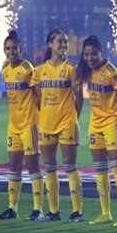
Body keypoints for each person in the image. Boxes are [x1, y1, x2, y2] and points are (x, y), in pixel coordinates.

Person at [77, 35, 117, 226]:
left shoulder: (111, 72)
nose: (90, 58)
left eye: (94, 54)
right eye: (86, 54)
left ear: (102, 53)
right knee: (100, 170)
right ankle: (106, 213)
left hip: (112, 123)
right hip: (95, 123)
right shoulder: (86, 72)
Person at [31, 29, 84, 222]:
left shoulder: (71, 69)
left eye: (65, 42)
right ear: (50, 44)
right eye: (60, 42)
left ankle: (77, 212)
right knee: (49, 168)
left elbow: (79, 98)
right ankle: (54, 212)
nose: (63, 45)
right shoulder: (39, 71)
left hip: (67, 123)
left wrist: (72, 117)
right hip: (46, 124)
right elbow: (37, 98)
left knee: (70, 166)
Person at [0, 30, 44, 220]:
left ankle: (38, 209)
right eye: (8, 49)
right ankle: (12, 208)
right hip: (14, 125)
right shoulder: (5, 69)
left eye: (14, 49)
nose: (11, 52)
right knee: (14, 165)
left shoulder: (28, 69)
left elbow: (39, 95)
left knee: (33, 166)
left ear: (20, 50)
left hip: (30, 124)